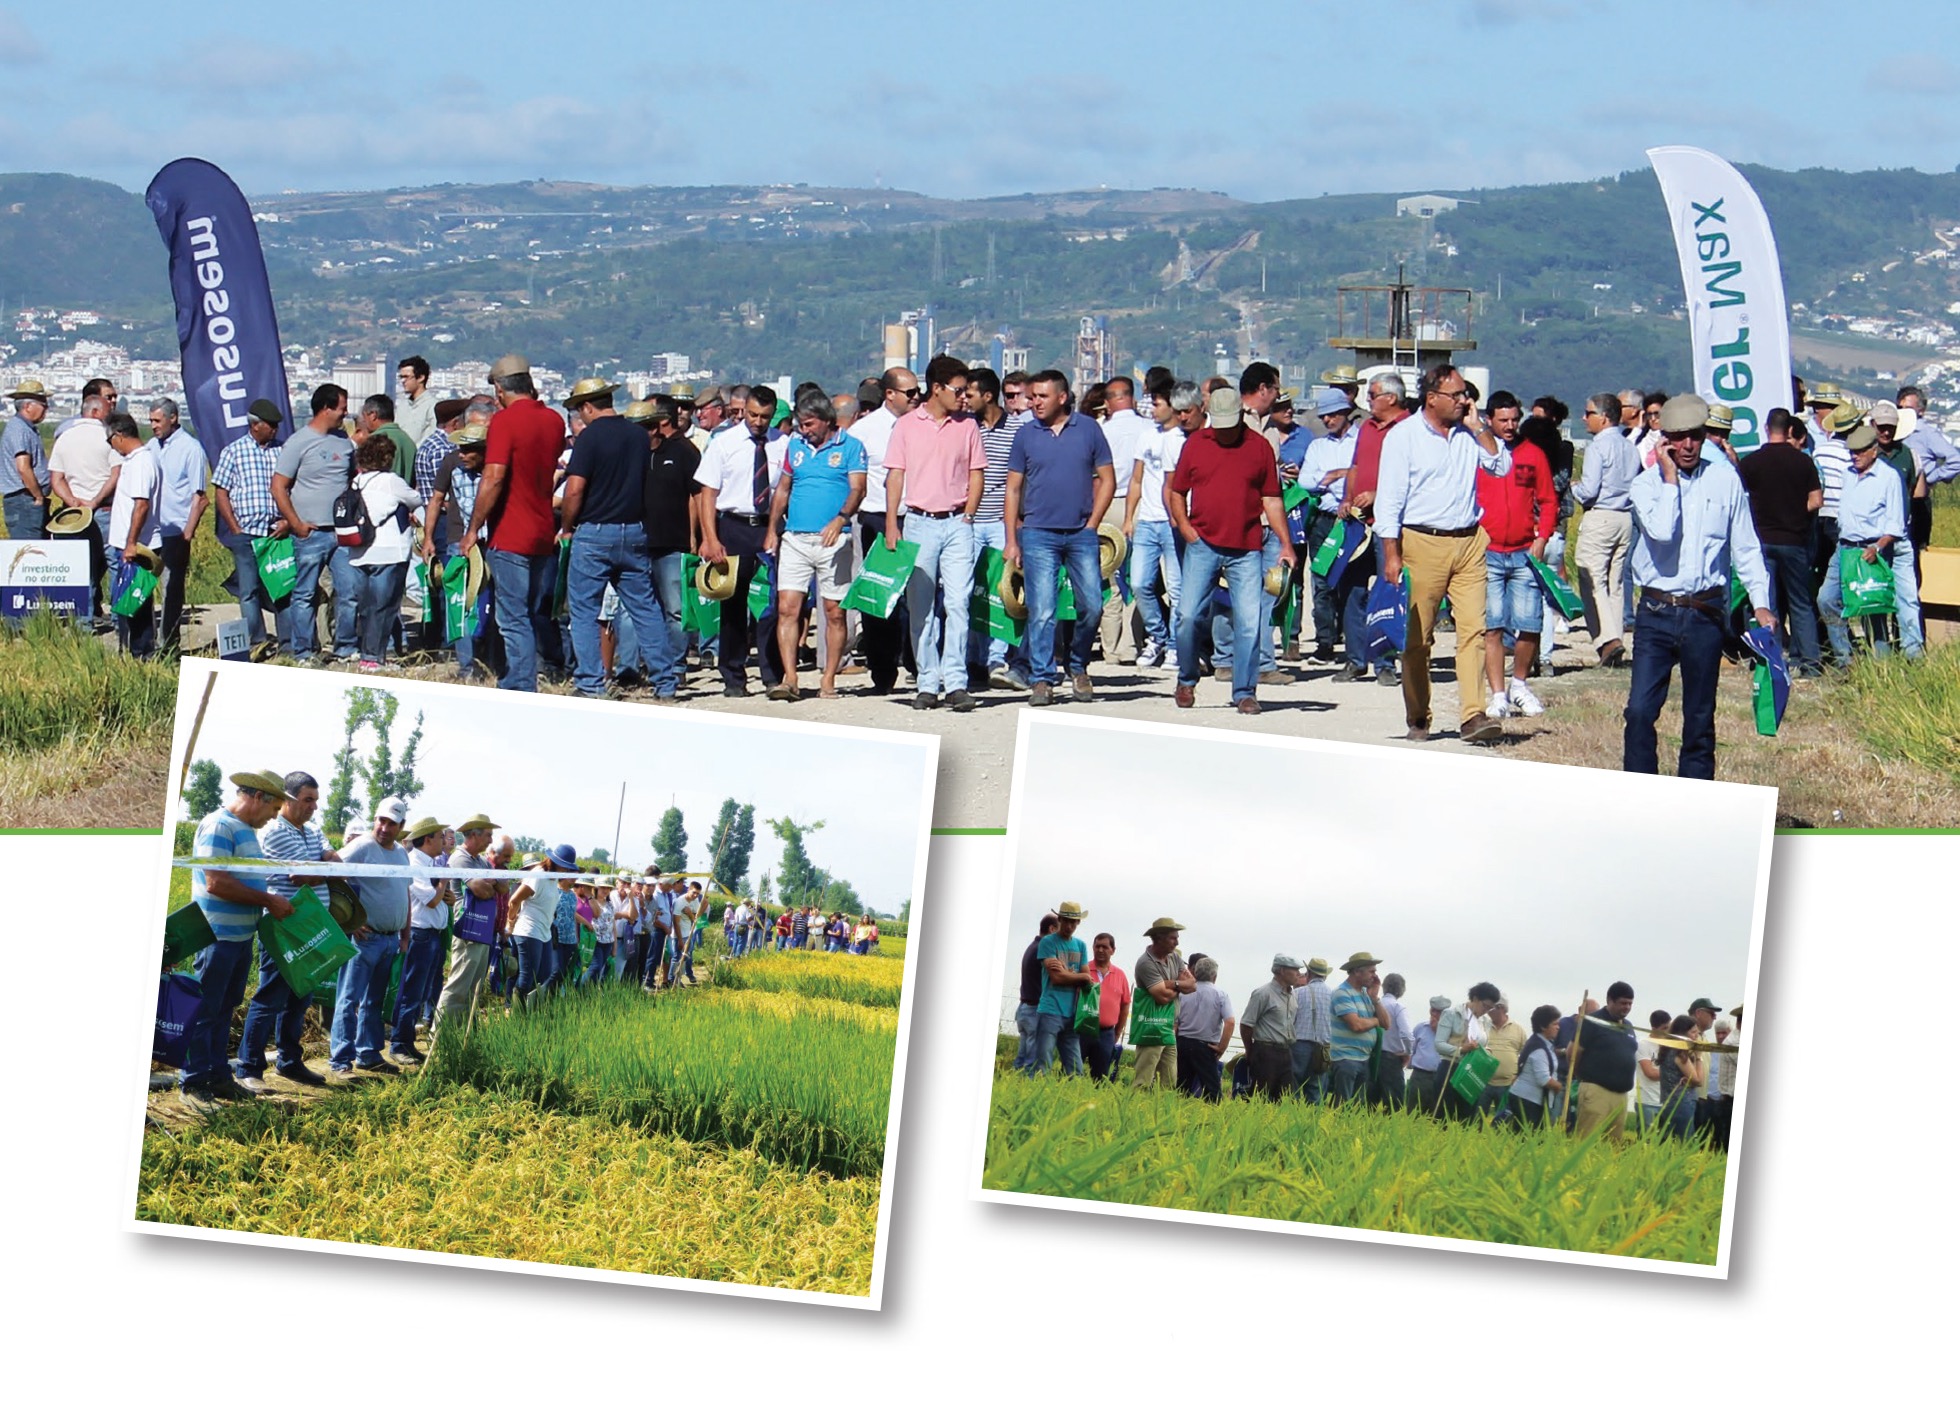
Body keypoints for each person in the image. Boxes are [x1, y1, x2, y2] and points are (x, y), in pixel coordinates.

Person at [1624, 394, 1775, 779]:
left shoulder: (1725, 480)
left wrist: (1760, 603)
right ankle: (1638, 794)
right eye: (1679, 437)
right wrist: (1670, 480)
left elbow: (1745, 544)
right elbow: (1660, 531)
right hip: (1657, 612)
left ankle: (1695, 801)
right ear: (1665, 439)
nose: (1688, 445)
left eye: (1695, 436)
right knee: (1640, 710)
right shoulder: (1645, 485)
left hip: (1704, 613)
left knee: (1700, 716)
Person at [1375, 363, 1512, 743]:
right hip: (1421, 541)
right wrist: (1391, 554)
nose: (1463, 400)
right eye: (1456, 395)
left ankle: (1473, 715)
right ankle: (1418, 714)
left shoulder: (1470, 433)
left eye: (1466, 394)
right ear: (1431, 398)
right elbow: (1389, 501)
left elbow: (1501, 466)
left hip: (1469, 541)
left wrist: (1479, 426)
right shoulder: (1403, 437)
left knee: (1474, 631)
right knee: (1418, 638)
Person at [1167, 387, 1296, 714]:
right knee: (1187, 616)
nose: (1224, 431)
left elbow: (1272, 499)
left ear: (1240, 416)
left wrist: (1285, 543)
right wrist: (1185, 527)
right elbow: (1177, 491)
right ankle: (1186, 677)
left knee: (1250, 621)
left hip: (1247, 547)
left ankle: (1245, 691)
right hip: (1203, 543)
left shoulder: (1259, 448)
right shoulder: (1196, 444)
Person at [178, 769, 296, 1109]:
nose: (275, 816)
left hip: (240, 936)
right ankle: (194, 1083)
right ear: (258, 797)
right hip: (217, 935)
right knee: (205, 1009)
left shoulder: (246, 830)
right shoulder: (220, 826)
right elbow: (216, 883)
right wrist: (268, 901)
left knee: (225, 1008)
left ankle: (218, 1076)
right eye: (274, 808)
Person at [1004, 368, 1116, 706]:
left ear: (1062, 397)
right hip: (1038, 533)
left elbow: (1108, 479)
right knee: (1042, 610)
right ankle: (1042, 678)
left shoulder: (1089, 430)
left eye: (1041, 396)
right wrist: (1012, 537)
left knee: (1092, 605)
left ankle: (1078, 664)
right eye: (1032, 396)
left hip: (1081, 532)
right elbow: (1012, 488)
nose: (1034, 402)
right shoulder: (1026, 435)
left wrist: (1093, 523)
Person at [885, 354, 985, 711]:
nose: (963, 397)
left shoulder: (968, 426)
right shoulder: (907, 426)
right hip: (918, 521)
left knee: (958, 602)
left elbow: (977, 472)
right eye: (958, 390)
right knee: (921, 607)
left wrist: (969, 514)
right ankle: (927, 681)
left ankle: (956, 681)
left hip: (957, 522)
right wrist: (892, 524)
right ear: (937, 388)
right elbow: (895, 474)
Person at [558, 376, 667, 699]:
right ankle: (666, 679)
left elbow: (575, 488)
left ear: (589, 406)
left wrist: (567, 525)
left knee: (584, 610)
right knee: (645, 608)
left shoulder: (590, 438)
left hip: (594, 530)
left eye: (580, 410)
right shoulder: (637, 435)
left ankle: (590, 682)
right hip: (633, 528)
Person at [465, 355, 568, 691]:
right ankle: (528, 673)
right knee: (532, 611)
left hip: (511, 530)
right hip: (541, 528)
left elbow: (494, 477)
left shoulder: (505, 422)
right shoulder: (554, 421)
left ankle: (521, 682)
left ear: (499, 389)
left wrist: (472, 528)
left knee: (512, 616)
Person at [231, 771, 337, 1091]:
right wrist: (325, 869)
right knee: (271, 997)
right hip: (284, 926)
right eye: (307, 800)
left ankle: (290, 1062)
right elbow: (299, 876)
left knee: (300, 998)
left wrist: (324, 866)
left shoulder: (314, 831)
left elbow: (333, 858)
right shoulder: (276, 832)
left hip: (311, 928)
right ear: (288, 799)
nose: (313, 807)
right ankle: (249, 1066)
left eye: (316, 801)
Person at [767, 389, 867, 700]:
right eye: (801, 424)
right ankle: (791, 678)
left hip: (833, 540)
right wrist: (773, 528)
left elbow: (858, 488)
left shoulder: (851, 446)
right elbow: (783, 489)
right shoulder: (795, 446)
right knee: (787, 608)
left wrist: (841, 518)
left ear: (826, 421)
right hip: (796, 537)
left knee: (834, 611)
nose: (804, 430)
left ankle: (828, 679)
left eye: (809, 424)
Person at [695, 385, 787, 696]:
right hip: (733, 527)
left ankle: (771, 673)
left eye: (765, 417)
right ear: (742, 411)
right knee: (733, 606)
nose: (758, 422)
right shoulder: (724, 443)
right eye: (752, 415)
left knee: (770, 605)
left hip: (769, 528)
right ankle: (733, 676)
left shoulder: (783, 444)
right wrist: (710, 537)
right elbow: (708, 493)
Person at [1478, 393, 1557, 718]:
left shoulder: (1533, 454)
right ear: (1489, 419)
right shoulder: (1478, 453)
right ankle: (1498, 694)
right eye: (1503, 420)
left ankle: (1520, 684)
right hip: (1488, 551)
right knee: (1492, 626)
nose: (1510, 426)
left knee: (1529, 624)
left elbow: (1549, 500)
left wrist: (1542, 537)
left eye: (1514, 419)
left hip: (1525, 552)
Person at [272, 383, 358, 663]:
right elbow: (279, 486)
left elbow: (351, 479)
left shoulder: (344, 443)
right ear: (326, 408)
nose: (345, 413)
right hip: (310, 533)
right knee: (305, 594)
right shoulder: (299, 442)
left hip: (342, 532)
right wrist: (295, 523)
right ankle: (304, 650)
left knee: (349, 591)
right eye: (342, 408)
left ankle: (345, 646)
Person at [1333, 372, 1410, 686]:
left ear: (1391, 398)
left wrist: (1379, 496)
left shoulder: (1408, 429)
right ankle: (1354, 659)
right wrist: (1347, 498)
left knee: (1387, 592)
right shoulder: (1365, 427)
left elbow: (1413, 476)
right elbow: (1355, 467)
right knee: (1351, 590)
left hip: (1388, 526)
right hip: (1358, 522)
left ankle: (1385, 661)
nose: (1368, 400)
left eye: (1373, 395)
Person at [330, 797, 414, 1074]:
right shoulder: (363, 845)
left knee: (374, 1000)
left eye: (392, 823)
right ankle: (341, 1061)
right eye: (381, 821)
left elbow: (405, 894)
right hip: (365, 939)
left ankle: (368, 1054)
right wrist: (349, 920)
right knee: (349, 998)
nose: (384, 828)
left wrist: (405, 934)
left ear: (401, 826)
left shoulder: (401, 854)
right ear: (374, 820)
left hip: (390, 939)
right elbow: (330, 873)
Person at [1737, 407, 1824, 676]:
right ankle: (1811, 663)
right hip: (1794, 540)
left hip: (1762, 539)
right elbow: (1817, 500)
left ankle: (1769, 661)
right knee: (1801, 603)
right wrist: (1797, 511)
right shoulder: (1803, 462)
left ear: (1766, 428)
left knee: (1767, 602)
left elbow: (1740, 500)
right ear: (1789, 431)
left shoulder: (1751, 462)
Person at [1818, 422, 1911, 663]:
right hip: (1845, 547)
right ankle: (1845, 658)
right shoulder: (1849, 474)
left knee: (1873, 610)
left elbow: (1895, 524)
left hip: (1871, 549)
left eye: (1860, 451)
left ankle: (1882, 667)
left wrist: (1878, 547)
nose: (1855, 456)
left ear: (1874, 450)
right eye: (1852, 451)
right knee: (1826, 599)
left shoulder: (1889, 477)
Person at [1125, 379, 1197, 670]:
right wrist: (1130, 516)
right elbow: (1137, 479)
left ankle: (1176, 647)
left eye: (1157, 404)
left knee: (1178, 588)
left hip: (1174, 523)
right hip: (1147, 521)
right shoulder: (1146, 436)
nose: (1152, 410)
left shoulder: (1185, 439)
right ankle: (1158, 635)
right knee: (1140, 583)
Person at [965, 366, 1029, 687]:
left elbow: (1020, 480)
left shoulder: (1018, 430)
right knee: (971, 592)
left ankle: (996, 658)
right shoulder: (966, 428)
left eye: (971, 393)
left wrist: (1016, 523)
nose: (965, 398)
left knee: (1004, 592)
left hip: (1002, 523)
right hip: (971, 522)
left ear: (987, 396)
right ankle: (973, 658)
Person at [211, 399, 291, 655]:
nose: (276, 429)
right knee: (248, 591)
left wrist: (288, 521)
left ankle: (288, 642)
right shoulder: (233, 451)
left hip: (275, 533)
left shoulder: (283, 451)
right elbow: (221, 492)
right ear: (256, 426)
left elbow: (293, 488)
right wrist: (234, 527)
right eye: (271, 425)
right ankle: (257, 641)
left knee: (282, 588)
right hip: (245, 533)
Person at [343, 434, 424, 671]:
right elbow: (416, 499)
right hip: (389, 552)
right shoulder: (391, 481)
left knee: (367, 608)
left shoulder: (356, 482)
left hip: (359, 552)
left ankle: (368, 655)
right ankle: (375, 658)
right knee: (385, 608)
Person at [1573, 393, 1639, 668]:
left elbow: (1589, 491)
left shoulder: (1598, 447)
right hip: (1624, 516)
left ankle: (1607, 638)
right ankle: (1616, 638)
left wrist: (1573, 487)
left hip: (1600, 515)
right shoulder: (1630, 448)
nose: (1584, 418)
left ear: (1602, 416)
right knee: (1615, 583)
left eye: (1588, 413)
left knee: (1591, 577)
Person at [141, 398, 209, 653]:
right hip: (152, 529)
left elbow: (199, 496)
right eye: (151, 421)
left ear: (173, 419)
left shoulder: (191, 449)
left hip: (176, 531)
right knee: (144, 588)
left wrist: (188, 532)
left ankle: (168, 644)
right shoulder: (151, 447)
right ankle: (146, 641)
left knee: (171, 590)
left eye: (157, 421)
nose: (153, 426)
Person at [1298, 387, 1360, 662]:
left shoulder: (1361, 443)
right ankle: (1325, 641)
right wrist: (1336, 477)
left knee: (1350, 582)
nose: (1327, 420)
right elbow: (1306, 482)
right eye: (1323, 416)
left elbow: (1364, 476)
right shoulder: (1317, 446)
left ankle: (1352, 643)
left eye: (1332, 415)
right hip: (1323, 521)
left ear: (1345, 412)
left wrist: (1340, 475)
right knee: (1322, 582)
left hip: (1353, 520)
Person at [45, 390, 119, 610]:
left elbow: (56, 479)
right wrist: (95, 501)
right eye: (106, 410)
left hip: (75, 513)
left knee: (80, 566)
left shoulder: (65, 438)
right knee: (113, 563)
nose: (109, 414)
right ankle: (119, 618)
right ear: (95, 412)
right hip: (105, 508)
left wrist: (73, 500)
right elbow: (116, 473)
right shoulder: (108, 437)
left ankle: (83, 620)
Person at [429, 814, 502, 1035]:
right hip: (467, 930)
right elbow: (483, 890)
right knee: (458, 984)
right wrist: (489, 884)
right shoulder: (460, 858)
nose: (491, 840)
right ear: (473, 835)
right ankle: (438, 1034)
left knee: (474, 988)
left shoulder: (480, 861)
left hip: (482, 930)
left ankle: (463, 1034)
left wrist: (490, 883)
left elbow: (503, 887)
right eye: (488, 835)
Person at [391, 816, 451, 1064]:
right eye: (439, 837)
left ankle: (407, 1043)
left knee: (423, 990)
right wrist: (445, 881)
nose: (444, 841)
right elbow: (432, 899)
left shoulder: (431, 863)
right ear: (428, 839)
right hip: (421, 934)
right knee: (412, 990)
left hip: (432, 934)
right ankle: (399, 1044)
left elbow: (447, 899)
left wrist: (444, 891)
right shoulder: (415, 863)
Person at [102, 413, 162, 657]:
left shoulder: (141, 462)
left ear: (119, 436)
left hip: (137, 548)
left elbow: (141, 505)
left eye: (110, 441)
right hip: (129, 546)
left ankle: (142, 653)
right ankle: (132, 651)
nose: (111, 446)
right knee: (128, 606)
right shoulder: (134, 460)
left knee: (136, 606)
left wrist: (130, 543)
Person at [1029, 901, 1092, 1075]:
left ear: (1078, 922)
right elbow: (1056, 978)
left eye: (1074, 922)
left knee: (1076, 1069)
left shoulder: (1081, 945)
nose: (1070, 925)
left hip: (1073, 1013)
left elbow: (1088, 978)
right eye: (1067, 921)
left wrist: (1070, 974)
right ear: (1060, 919)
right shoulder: (1048, 942)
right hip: (1050, 1009)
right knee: (1044, 1063)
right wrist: (1080, 976)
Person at [1131, 916, 1194, 1090]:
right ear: (1159, 937)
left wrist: (1168, 984)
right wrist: (1178, 984)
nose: (1177, 942)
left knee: (1169, 1080)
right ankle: (1133, 1109)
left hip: (1168, 1026)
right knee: (1144, 1077)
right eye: (1173, 938)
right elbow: (1162, 997)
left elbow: (1192, 985)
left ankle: (1161, 1112)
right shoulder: (1145, 963)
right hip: (1151, 1024)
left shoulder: (1174, 957)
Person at [1572, 981, 1639, 1142]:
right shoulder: (1593, 1021)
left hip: (1621, 1095)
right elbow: (1573, 1053)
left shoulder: (1628, 1026)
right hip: (1596, 1091)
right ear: (1610, 1000)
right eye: (1623, 1003)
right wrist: (1581, 1077)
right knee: (1586, 1141)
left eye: (1630, 1003)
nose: (1627, 1007)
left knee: (1612, 1145)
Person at [507, 844, 572, 1004]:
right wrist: (511, 922)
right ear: (558, 863)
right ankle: (516, 1012)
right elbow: (514, 900)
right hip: (529, 931)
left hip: (545, 932)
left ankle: (529, 1009)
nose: (567, 871)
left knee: (544, 974)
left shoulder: (554, 877)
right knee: (527, 976)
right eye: (566, 867)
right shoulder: (538, 875)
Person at [1237, 954, 1305, 1101]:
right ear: (1282, 971)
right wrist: (1250, 1050)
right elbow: (1246, 1024)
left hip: (1286, 1051)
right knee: (1260, 1096)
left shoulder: (1292, 995)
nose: (1298, 974)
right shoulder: (1263, 993)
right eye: (1295, 970)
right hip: (1265, 1051)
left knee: (1284, 1098)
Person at [1327, 952, 1390, 1105]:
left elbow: (1386, 1024)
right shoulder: (1342, 993)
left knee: (1357, 1108)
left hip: (1363, 1059)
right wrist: (1375, 1021)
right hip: (1346, 1058)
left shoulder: (1365, 994)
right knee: (1344, 1105)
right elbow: (1356, 1025)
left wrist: (1375, 999)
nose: (1375, 976)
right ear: (1356, 971)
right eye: (1371, 971)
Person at [1174, 953, 1234, 1102]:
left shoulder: (1183, 993)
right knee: (1212, 1091)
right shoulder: (1220, 994)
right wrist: (1222, 1047)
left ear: (1195, 971)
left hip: (1182, 1042)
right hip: (1205, 1046)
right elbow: (1230, 1022)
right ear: (1214, 975)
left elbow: (1175, 1022)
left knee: (1181, 1087)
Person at [1433, 981, 1498, 1118]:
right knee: (1444, 1115)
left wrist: (1486, 1051)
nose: (1486, 1011)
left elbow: (1482, 1044)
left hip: (1472, 1071)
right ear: (1475, 999)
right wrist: (1461, 1049)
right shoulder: (1452, 1014)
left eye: (1490, 1009)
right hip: (1451, 1068)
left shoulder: (1485, 1021)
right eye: (1485, 1006)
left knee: (1467, 1116)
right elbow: (1439, 1044)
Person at [1079, 932, 1132, 1082]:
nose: (1101, 950)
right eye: (1097, 946)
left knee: (1101, 1078)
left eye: (1105, 947)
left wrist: (1117, 1033)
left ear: (1113, 950)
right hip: (1081, 1031)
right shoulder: (1083, 970)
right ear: (1093, 948)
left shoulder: (1120, 975)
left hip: (1105, 1034)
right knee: (1071, 1072)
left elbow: (1125, 1005)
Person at [3, 378, 51, 540]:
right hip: (24, 500)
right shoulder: (19, 429)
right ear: (28, 406)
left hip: (26, 500)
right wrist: (38, 496)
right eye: (43, 405)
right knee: (30, 551)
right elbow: (23, 467)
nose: (47, 409)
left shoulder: (26, 428)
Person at [1011, 915, 1060, 1071]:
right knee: (1033, 1060)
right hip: (1035, 1009)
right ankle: (1027, 1090)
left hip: (1025, 1007)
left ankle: (1014, 1086)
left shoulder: (1032, 947)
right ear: (1052, 929)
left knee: (1023, 1056)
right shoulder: (1042, 949)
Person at [1508, 1006, 1563, 1129]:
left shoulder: (1544, 1044)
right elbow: (1543, 1079)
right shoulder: (1538, 1049)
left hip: (1531, 1098)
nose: (1558, 1027)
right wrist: (1559, 1086)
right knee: (1527, 1138)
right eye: (1555, 1024)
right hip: (1527, 1099)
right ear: (1543, 1026)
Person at [1291, 957, 1334, 1102]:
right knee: (1316, 1091)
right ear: (1325, 976)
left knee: (1293, 1089)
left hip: (1299, 1046)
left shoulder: (1297, 993)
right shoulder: (1333, 995)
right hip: (1323, 1049)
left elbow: (1289, 1021)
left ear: (1309, 973)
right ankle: (1313, 1122)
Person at [1481, 999, 1527, 1120]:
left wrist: (1518, 1075)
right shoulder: (1483, 1026)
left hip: (1507, 1083)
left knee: (1503, 1121)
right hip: (1482, 1082)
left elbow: (1525, 1055)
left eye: (1491, 1008)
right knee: (1477, 1118)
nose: (1488, 1011)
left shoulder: (1518, 1029)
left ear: (1501, 1008)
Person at [1373, 972, 1413, 1109]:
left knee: (1368, 1102)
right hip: (1391, 1059)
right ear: (1402, 990)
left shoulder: (1372, 1004)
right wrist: (1408, 1052)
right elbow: (1407, 1033)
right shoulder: (1397, 1007)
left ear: (1384, 987)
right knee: (1393, 1104)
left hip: (1371, 1056)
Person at [1408, 996, 1450, 1114]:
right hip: (1420, 1076)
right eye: (1433, 1010)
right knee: (1413, 1112)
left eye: (1439, 1012)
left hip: (1439, 1077)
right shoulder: (1421, 1028)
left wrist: (1439, 1031)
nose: (1435, 1014)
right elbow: (1413, 1049)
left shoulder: (1451, 1033)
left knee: (1436, 1114)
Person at [395, 356, 438, 446]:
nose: (403, 381)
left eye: (406, 377)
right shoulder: (401, 407)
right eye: (401, 377)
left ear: (421, 377)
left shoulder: (433, 406)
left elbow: (430, 437)